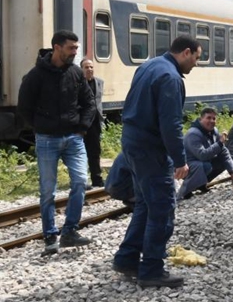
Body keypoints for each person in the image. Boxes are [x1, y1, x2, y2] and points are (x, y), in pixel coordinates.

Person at [112, 36, 201, 288]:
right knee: (162, 207)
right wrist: (180, 160)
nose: (196, 64)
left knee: (144, 204)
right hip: (150, 149)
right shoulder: (171, 78)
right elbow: (170, 124)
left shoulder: (148, 66)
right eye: (196, 58)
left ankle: (127, 258)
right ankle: (151, 269)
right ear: (186, 52)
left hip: (132, 143)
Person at [18, 30, 96, 255]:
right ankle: (50, 236)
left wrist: (82, 129)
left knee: (81, 182)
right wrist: (40, 127)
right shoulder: (36, 75)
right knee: (47, 191)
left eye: (76, 48)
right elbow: (24, 107)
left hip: (74, 138)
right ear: (57, 47)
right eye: (71, 48)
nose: (75, 52)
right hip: (47, 139)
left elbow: (89, 102)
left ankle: (70, 231)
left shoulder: (76, 73)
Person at [176, 107, 233, 200]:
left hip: (201, 162)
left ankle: (201, 184)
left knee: (221, 161)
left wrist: (232, 171)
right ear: (201, 119)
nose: (212, 121)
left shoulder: (214, 131)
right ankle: (185, 192)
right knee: (204, 165)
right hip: (185, 165)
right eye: (208, 118)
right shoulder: (193, 134)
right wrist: (220, 143)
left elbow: (223, 152)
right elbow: (202, 155)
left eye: (214, 118)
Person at [80, 58, 105, 188]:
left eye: (91, 67)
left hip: (95, 123)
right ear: (81, 69)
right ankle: (82, 180)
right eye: (86, 67)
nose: (89, 69)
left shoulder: (99, 82)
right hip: (82, 124)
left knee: (95, 152)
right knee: (81, 153)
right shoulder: (78, 84)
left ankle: (97, 178)